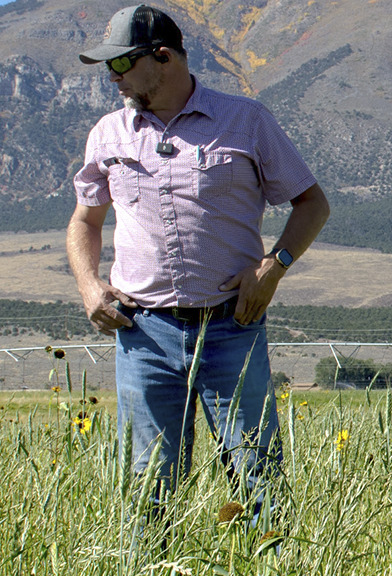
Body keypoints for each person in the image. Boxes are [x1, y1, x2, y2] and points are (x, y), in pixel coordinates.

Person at [67, 4, 330, 513]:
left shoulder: (246, 120)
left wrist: (272, 267)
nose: (112, 78)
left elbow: (312, 203)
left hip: (232, 325)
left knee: (259, 476)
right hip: (142, 333)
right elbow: (84, 222)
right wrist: (88, 287)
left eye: (120, 64)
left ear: (161, 57)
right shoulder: (108, 134)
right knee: (147, 486)